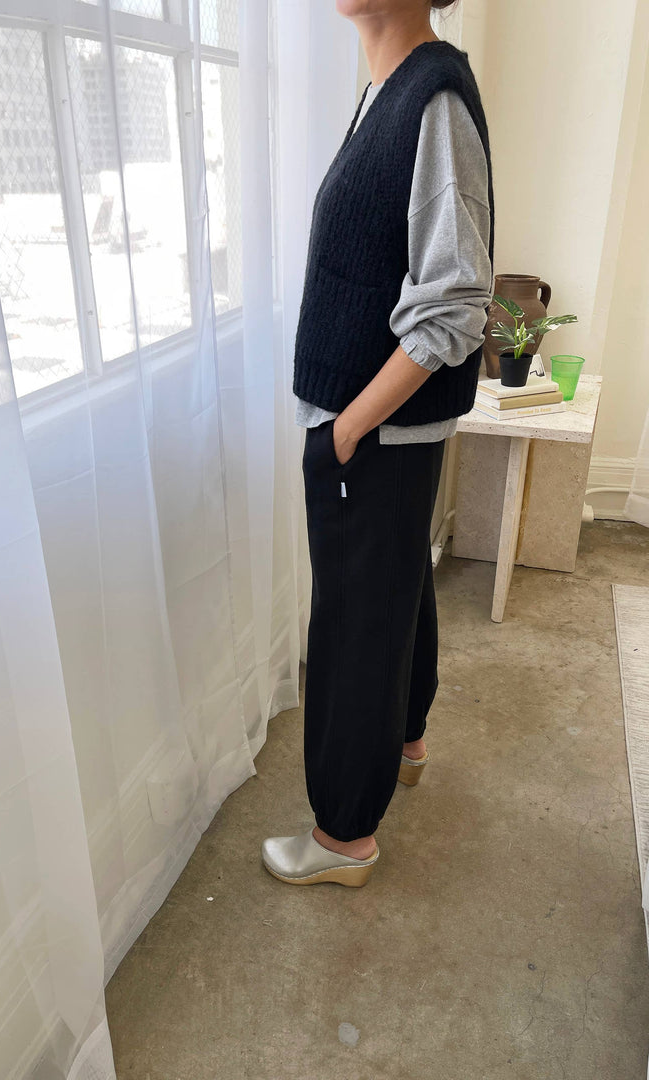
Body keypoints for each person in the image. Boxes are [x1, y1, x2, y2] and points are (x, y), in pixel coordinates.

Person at [262, 0, 495, 886]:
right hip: (378, 426)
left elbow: (456, 300)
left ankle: (344, 837)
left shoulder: (431, 96)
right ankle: (405, 743)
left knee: (354, 623)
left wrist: (351, 427)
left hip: (373, 427)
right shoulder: (395, 90)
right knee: (397, 589)